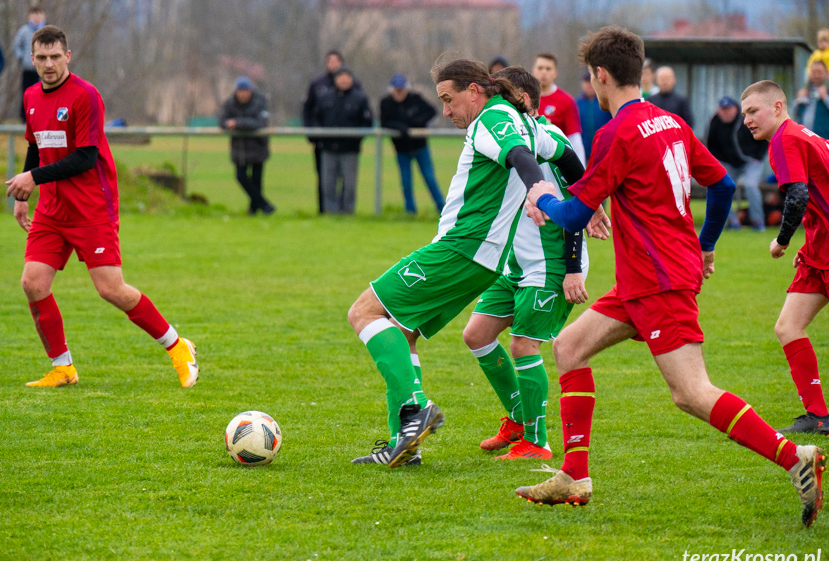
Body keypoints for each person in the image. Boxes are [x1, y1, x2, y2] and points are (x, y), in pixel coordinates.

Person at [519, 26, 825, 528]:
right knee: (569, 346)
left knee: (692, 393)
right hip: (647, 278)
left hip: (659, 281)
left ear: (599, 76)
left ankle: (796, 457)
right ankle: (574, 475)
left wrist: (542, 199)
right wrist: (704, 245)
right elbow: (722, 186)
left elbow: (573, 216)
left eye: (590, 78)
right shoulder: (671, 123)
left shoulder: (615, 132)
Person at [346, 57, 585, 468]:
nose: (445, 111)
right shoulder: (527, 122)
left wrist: (538, 190)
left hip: (461, 248)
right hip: (486, 260)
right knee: (403, 331)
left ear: (474, 91)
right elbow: (565, 156)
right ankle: (404, 447)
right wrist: (587, 204)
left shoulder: (491, 120)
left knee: (364, 312)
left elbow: (519, 159)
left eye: (448, 99)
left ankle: (414, 409)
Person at [4, 26, 199, 389]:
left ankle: (177, 345)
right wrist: (24, 194)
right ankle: (63, 368)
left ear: (68, 56)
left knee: (112, 290)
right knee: (33, 283)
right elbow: (36, 145)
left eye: (55, 57)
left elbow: (84, 157)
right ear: (32, 60)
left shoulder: (85, 96)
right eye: (42, 58)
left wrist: (32, 177)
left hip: (92, 208)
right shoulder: (31, 95)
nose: (48, 64)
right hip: (51, 209)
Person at [463, 65, 588, 461]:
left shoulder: (548, 138)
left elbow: (576, 202)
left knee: (523, 345)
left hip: (552, 264)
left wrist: (571, 268)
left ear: (527, 101)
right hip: (517, 264)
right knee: (477, 334)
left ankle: (537, 442)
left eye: (507, 96)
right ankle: (518, 419)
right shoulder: (503, 135)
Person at [741, 79, 829, 436]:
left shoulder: (784, 139)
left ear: (777, 107)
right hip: (820, 249)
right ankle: (818, 416)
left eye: (753, 111)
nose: (747, 120)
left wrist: (781, 241)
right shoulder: (803, 133)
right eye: (744, 113)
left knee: (789, 327)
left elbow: (797, 197)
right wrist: (809, 247)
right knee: (788, 326)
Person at [379, 74, 445, 214]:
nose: (399, 93)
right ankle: (410, 210)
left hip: (420, 147)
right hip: (401, 149)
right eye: (396, 90)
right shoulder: (386, 103)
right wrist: (399, 127)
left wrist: (416, 123)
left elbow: (432, 112)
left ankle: (442, 208)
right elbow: (384, 122)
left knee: (429, 177)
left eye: (401, 90)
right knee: (406, 181)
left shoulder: (416, 99)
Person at [313, 67, 372, 214]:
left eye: (347, 77)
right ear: (335, 79)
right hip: (328, 148)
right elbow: (316, 118)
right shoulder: (325, 97)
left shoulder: (360, 98)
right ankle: (330, 212)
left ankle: (347, 212)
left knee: (349, 184)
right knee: (328, 184)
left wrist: (356, 139)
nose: (344, 80)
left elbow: (367, 122)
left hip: (350, 150)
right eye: (341, 77)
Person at [706, 96, 768, 231]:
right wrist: (720, 162)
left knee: (750, 185)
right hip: (729, 163)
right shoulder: (715, 122)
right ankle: (732, 222)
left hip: (751, 161)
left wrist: (758, 157)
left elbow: (764, 137)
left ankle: (758, 221)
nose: (726, 112)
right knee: (719, 186)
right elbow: (711, 145)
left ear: (736, 109)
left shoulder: (747, 120)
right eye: (723, 109)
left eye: (729, 109)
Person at [219, 76, 274, 215]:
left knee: (256, 181)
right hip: (240, 149)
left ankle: (254, 210)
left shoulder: (260, 102)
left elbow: (260, 123)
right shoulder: (230, 104)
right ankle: (265, 205)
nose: (243, 94)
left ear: (251, 91)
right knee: (241, 177)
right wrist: (228, 124)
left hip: (258, 147)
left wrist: (237, 124)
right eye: (240, 91)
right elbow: (222, 121)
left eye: (245, 91)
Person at [303, 50, 349, 214]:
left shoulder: (352, 83)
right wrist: (313, 134)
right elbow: (308, 110)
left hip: (345, 142)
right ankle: (324, 210)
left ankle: (344, 210)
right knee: (323, 177)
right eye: (330, 61)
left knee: (346, 178)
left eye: (337, 61)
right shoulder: (317, 84)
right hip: (323, 141)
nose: (333, 64)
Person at [532, 52, 585, 164]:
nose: (544, 72)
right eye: (540, 68)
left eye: (548, 68)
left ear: (555, 73)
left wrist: (580, 174)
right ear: (533, 71)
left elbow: (575, 139)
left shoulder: (566, 101)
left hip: (556, 165)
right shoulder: (524, 99)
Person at [13, 6, 46, 122]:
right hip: (28, 68)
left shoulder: (46, 31)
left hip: (43, 68)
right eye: (34, 15)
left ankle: (41, 117)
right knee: (27, 93)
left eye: (39, 15)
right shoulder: (24, 30)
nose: (36, 17)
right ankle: (25, 118)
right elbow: (17, 45)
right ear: (30, 16)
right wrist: (21, 57)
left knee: (43, 93)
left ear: (43, 16)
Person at [576, 70, 612, 159]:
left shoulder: (605, 101)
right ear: (582, 84)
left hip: (605, 151)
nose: (589, 85)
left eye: (591, 82)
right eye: (586, 82)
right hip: (584, 153)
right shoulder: (577, 103)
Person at [793, 61, 829, 139]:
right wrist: (798, 101)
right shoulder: (805, 91)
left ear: (826, 74)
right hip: (806, 139)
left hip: (824, 139)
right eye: (813, 72)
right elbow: (794, 114)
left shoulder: (826, 92)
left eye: (819, 72)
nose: (816, 75)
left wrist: (825, 98)